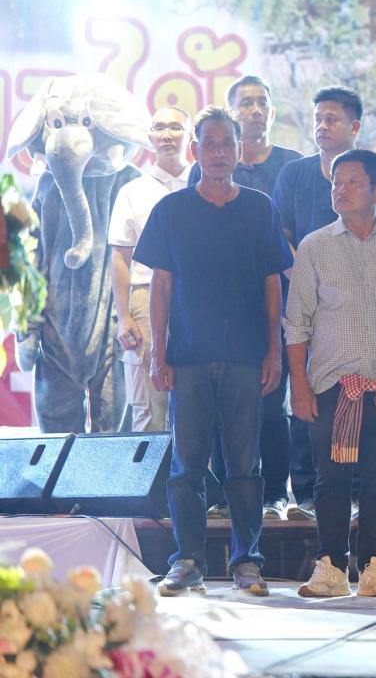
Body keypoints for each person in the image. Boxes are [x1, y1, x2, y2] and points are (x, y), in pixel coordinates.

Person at [136, 106, 292, 597]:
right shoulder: (171, 210)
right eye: (210, 144)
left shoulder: (260, 208)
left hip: (246, 355)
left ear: (238, 151)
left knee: (245, 467)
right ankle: (187, 561)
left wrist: (274, 351)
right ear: (195, 150)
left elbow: (273, 283)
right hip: (188, 357)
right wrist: (158, 352)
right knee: (186, 468)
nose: (219, 153)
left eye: (228, 144)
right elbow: (161, 285)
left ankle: (248, 563)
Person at [286, 148, 376, 599]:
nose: (340, 189)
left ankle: (375, 568)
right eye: (336, 182)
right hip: (330, 385)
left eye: (352, 181)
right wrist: (299, 387)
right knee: (329, 480)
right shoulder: (314, 246)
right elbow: (297, 323)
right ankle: (330, 568)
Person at [272, 86, 376, 521]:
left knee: (371, 408)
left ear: (355, 126)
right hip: (308, 298)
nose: (322, 126)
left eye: (331, 118)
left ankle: (367, 500)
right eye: (317, 118)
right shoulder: (294, 174)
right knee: (310, 397)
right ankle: (307, 493)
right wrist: (308, 275)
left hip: (368, 310)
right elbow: (282, 235)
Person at [188, 76, 301, 521]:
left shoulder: (290, 166)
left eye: (261, 102)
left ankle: (276, 492)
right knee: (219, 412)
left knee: (272, 406)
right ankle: (222, 495)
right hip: (214, 316)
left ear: (272, 111)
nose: (254, 109)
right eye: (245, 103)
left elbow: (288, 245)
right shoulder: (200, 176)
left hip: (275, 306)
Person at [108, 106, 191, 432]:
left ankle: (197, 467)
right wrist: (123, 316)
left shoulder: (204, 185)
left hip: (196, 296)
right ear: (149, 137)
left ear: (190, 135)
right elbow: (120, 257)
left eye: (175, 127)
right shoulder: (132, 191)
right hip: (145, 295)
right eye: (159, 128)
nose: (167, 135)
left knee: (195, 398)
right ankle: (150, 466)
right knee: (148, 405)